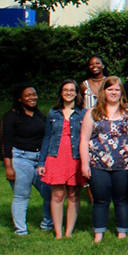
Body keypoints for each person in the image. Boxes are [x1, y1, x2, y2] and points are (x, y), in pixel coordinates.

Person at [80, 76, 128, 243]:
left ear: (121, 92)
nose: (113, 92)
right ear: (104, 91)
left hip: (124, 164)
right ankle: (98, 233)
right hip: (98, 163)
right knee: (100, 199)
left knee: (122, 199)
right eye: (110, 89)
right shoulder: (93, 112)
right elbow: (84, 139)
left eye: (117, 89)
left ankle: (122, 233)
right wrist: (85, 164)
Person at [1, 85, 53, 236]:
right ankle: (21, 230)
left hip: (40, 160)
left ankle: (48, 224)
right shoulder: (10, 117)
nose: (32, 98)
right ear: (19, 98)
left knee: (49, 193)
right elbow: (4, 143)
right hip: (20, 159)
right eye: (28, 95)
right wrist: (8, 167)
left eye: (34, 94)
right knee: (21, 195)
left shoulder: (38, 115)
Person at [36, 81, 86, 239]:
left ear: (76, 93)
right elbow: (47, 137)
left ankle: (69, 231)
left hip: (75, 157)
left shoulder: (83, 113)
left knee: (73, 195)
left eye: (72, 90)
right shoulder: (53, 113)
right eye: (65, 90)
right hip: (56, 156)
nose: (69, 93)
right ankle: (58, 232)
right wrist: (41, 162)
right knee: (57, 195)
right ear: (61, 93)